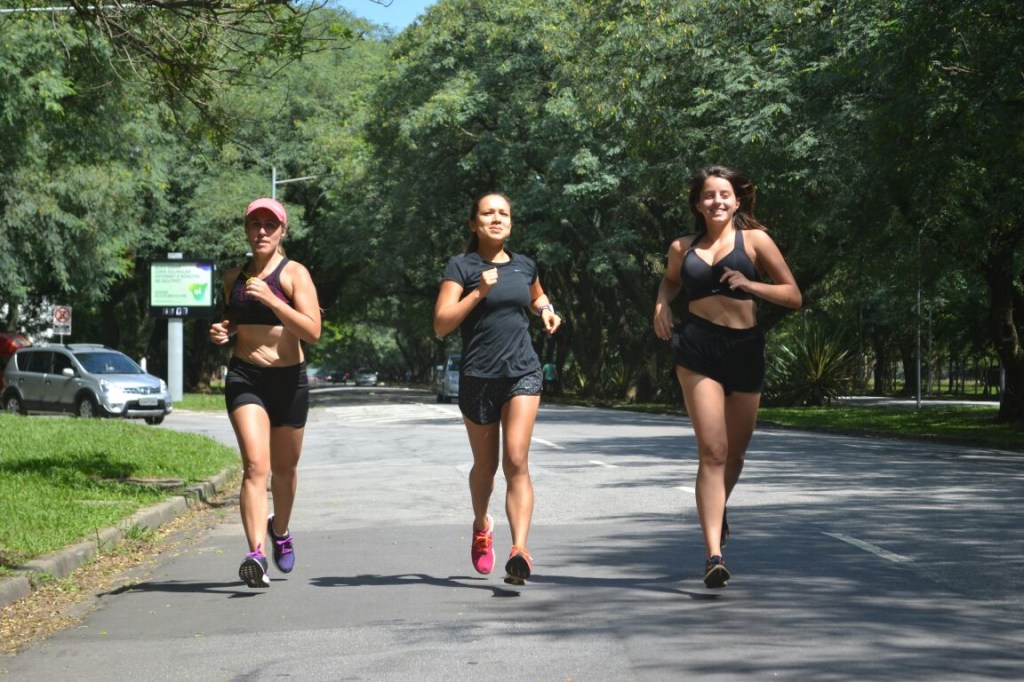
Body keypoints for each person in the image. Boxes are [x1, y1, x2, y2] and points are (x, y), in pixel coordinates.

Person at [653, 166, 802, 588]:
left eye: (724, 195)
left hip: (745, 349)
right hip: (698, 348)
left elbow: (793, 294)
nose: (716, 201)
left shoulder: (755, 241)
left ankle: (719, 511)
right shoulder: (682, 247)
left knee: (735, 455)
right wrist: (662, 305)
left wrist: (751, 286)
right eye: (708, 195)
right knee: (713, 452)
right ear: (698, 204)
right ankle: (713, 555)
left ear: (737, 201)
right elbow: (669, 283)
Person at [433, 192, 561, 585]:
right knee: (486, 469)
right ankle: (482, 523)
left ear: (511, 222)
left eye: (503, 213)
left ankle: (519, 549)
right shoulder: (462, 266)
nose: (496, 218)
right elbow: (441, 324)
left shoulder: (524, 265)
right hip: (478, 378)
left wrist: (546, 311)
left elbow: (537, 296)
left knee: (517, 460)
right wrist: (477, 292)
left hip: (523, 372)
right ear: (474, 223)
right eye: (487, 213)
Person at [209, 197, 322, 588]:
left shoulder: (295, 275)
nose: (261, 231)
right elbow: (233, 321)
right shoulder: (233, 278)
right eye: (254, 224)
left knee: (285, 471)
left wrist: (273, 299)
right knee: (256, 467)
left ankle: (281, 530)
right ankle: (256, 554)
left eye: (269, 225)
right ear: (246, 229)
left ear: (282, 231)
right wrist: (224, 331)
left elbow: (312, 331)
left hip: (290, 380)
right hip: (246, 377)